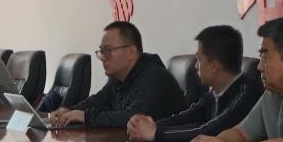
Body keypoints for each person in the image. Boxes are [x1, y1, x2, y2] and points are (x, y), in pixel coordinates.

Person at [126, 24, 262, 142]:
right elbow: (186, 118)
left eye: (199, 59)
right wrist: (149, 126)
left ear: (214, 66)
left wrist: (155, 133)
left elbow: (209, 131)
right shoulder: (213, 93)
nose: (196, 66)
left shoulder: (247, 93)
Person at [48, 20, 185, 129]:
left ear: (130, 52)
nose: (103, 57)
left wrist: (86, 116)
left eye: (108, 51)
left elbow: (134, 118)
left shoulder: (154, 77)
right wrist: (68, 111)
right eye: (101, 52)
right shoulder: (118, 78)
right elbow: (97, 101)